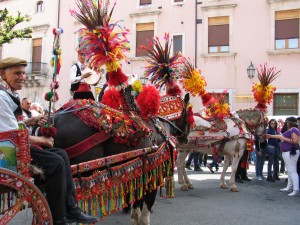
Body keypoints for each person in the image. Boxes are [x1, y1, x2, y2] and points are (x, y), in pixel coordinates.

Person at [0, 57, 98, 225]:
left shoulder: (11, 94)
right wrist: (42, 140)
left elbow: (13, 124)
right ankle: (58, 218)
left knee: (61, 154)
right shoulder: (2, 97)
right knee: (55, 162)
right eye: (17, 73)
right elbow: (11, 134)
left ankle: (71, 208)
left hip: (16, 145)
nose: (22, 77)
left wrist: (31, 121)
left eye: (23, 73)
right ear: (2, 74)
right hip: (9, 150)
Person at [266, 116, 299, 197]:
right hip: (287, 152)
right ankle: (289, 187)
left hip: (290, 152)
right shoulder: (291, 130)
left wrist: (284, 138)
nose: (286, 123)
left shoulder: (294, 130)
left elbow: (295, 141)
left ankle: (296, 189)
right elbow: (280, 137)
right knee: (290, 170)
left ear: (290, 122)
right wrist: (270, 136)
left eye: (287, 121)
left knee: (292, 171)